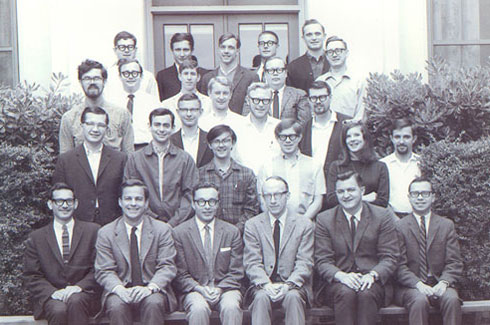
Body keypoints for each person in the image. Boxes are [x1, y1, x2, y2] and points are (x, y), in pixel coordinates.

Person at [315, 171, 398, 325]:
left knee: (366, 293)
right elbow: (322, 260)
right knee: (346, 293)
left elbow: (390, 256)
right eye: (340, 191)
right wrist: (341, 276)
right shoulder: (325, 219)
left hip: (372, 281)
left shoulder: (381, 216)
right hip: (338, 283)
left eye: (351, 190)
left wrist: (373, 275)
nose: (346, 195)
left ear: (362, 190)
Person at [95, 179, 178, 325]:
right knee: (116, 306)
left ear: (146, 203)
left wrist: (150, 288)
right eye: (128, 198)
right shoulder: (106, 233)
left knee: (153, 303)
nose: (133, 203)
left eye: (138, 199)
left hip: (151, 289)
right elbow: (104, 270)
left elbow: (167, 266)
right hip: (121, 289)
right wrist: (119, 289)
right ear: (120, 202)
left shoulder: (162, 230)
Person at [23, 183, 100, 325]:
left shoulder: (93, 231)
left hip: (84, 295)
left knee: (76, 300)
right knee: (58, 309)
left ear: (75, 203)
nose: (64, 205)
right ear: (50, 204)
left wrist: (79, 287)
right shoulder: (37, 238)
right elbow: (32, 275)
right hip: (52, 296)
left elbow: (99, 268)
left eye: (69, 201)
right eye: (59, 201)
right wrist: (53, 292)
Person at [244, 176, 314, 325]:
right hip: (263, 285)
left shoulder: (304, 224)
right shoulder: (253, 225)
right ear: (262, 198)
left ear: (287, 196)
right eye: (268, 195)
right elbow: (252, 262)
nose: (273, 200)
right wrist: (266, 284)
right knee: (261, 298)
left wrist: (288, 285)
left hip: (293, 285)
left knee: (293, 297)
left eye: (278, 195)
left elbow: (304, 262)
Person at [173, 182, 244, 325]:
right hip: (194, 290)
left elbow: (237, 271)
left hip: (225, 288)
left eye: (211, 201)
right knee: (199, 308)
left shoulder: (231, 232)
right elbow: (180, 274)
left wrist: (219, 288)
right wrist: (199, 288)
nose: (207, 206)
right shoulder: (179, 233)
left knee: (231, 306)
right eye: (201, 202)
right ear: (193, 204)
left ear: (218, 204)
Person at [395, 177, 463, 325]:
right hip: (412, 286)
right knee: (419, 301)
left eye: (425, 193)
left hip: (439, 283)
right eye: (415, 194)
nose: (420, 197)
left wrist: (444, 282)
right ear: (409, 198)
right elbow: (399, 265)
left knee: (451, 299)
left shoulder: (446, 225)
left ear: (433, 197)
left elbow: (454, 262)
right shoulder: (400, 227)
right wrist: (418, 284)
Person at [124, 108, 198, 227]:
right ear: (150, 127)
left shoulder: (185, 159)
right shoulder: (136, 159)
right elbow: (131, 192)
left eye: (166, 125)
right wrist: (154, 220)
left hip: (178, 226)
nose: (161, 129)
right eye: (157, 125)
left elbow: (190, 194)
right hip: (145, 224)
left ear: (173, 128)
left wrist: (173, 222)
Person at [53, 107, 126, 226]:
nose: (95, 129)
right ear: (82, 126)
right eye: (90, 124)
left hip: (112, 224)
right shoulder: (66, 160)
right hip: (78, 224)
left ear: (107, 129)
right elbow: (59, 195)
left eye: (101, 125)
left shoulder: (120, 159)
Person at [59, 59, 134, 154]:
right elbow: (65, 159)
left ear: (104, 81)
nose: (92, 82)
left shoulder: (121, 115)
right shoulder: (69, 118)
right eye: (87, 79)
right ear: (80, 82)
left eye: (97, 78)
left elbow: (129, 156)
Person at [258, 119, 325, 221]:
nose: (288, 141)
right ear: (277, 138)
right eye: (283, 137)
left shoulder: (314, 165)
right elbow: (263, 200)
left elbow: (318, 200)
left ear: (299, 137)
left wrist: (302, 222)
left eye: (292, 136)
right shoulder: (267, 166)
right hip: (276, 225)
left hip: (305, 224)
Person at [199, 125, 259, 233]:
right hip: (209, 235)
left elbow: (251, 210)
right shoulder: (200, 175)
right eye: (216, 141)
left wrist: (235, 231)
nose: (221, 145)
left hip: (240, 236)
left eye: (226, 141)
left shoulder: (247, 174)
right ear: (210, 145)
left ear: (233, 143)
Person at [326, 121, 389, 209]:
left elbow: (382, 201)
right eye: (348, 136)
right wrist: (365, 198)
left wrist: (347, 200)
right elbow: (331, 199)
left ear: (365, 139)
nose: (352, 139)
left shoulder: (380, 167)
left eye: (356, 135)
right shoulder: (336, 167)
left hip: (373, 218)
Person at [299, 81, 347, 186]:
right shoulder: (303, 130)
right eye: (314, 98)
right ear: (308, 100)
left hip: (340, 188)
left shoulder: (346, 124)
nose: (318, 101)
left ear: (330, 97)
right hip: (312, 188)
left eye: (322, 97)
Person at [200, 33, 260, 115]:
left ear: (237, 51)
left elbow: (252, 107)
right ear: (218, 50)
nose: (226, 51)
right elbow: (205, 107)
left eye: (230, 48)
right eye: (223, 47)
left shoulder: (251, 77)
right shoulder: (207, 78)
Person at [243, 56, 311, 126]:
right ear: (265, 74)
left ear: (285, 73)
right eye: (271, 70)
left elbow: (304, 124)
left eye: (279, 70)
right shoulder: (253, 95)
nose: (275, 74)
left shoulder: (299, 95)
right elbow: (247, 121)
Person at [112, 58, 161, 150]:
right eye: (126, 73)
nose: (130, 77)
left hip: (145, 148)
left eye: (135, 73)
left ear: (141, 76)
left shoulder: (153, 102)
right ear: (119, 76)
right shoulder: (113, 102)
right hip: (120, 150)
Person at [316, 36, 366, 121]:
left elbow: (361, 113)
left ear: (346, 53)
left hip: (349, 130)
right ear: (326, 55)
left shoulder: (358, 81)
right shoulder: (320, 81)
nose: (334, 55)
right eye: (330, 52)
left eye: (338, 51)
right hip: (326, 131)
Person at [236, 82, 280, 175]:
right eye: (256, 100)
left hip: (274, 184)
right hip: (245, 184)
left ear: (271, 102)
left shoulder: (279, 127)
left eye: (265, 100)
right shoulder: (236, 127)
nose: (261, 105)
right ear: (248, 100)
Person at [380, 118, 421, 218]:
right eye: (397, 137)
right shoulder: (383, 164)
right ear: (392, 138)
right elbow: (380, 197)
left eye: (406, 137)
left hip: (417, 218)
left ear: (414, 138)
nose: (401, 141)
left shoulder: (422, 163)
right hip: (390, 219)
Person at [161, 58, 213, 131]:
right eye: (186, 74)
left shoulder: (209, 103)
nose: (189, 78)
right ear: (180, 76)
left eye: (192, 74)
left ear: (198, 77)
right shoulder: (167, 104)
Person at [156, 32, 209, 101]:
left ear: (192, 50)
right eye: (178, 50)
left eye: (185, 50)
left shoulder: (204, 75)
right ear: (172, 50)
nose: (182, 54)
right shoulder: (162, 76)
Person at [105, 31, 159, 98]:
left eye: (130, 47)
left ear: (135, 50)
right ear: (115, 50)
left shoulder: (148, 77)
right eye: (122, 47)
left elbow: (154, 102)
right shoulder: (108, 75)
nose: (126, 50)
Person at [170, 93, 214, 168]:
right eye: (184, 110)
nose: (189, 114)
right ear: (178, 112)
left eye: (193, 109)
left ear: (200, 112)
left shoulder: (210, 139)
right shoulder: (169, 141)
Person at [286, 19, 329, 93]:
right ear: (303, 38)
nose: (314, 38)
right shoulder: (293, 67)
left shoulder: (334, 62)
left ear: (324, 36)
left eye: (317, 34)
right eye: (309, 35)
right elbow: (291, 96)